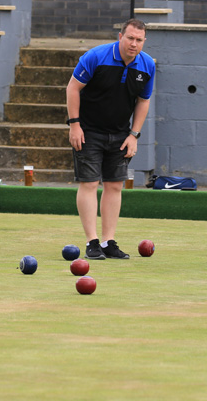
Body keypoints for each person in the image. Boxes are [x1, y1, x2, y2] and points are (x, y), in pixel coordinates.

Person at [66, 18, 155, 260]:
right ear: (120, 36)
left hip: (120, 133)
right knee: (90, 183)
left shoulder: (147, 65)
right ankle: (92, 242)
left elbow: (143, 101)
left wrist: (134, 134)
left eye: (139, 40)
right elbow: (73, 88)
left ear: (144, 41)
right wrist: (74, 125)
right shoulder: (95, 56)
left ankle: (108, 242)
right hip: (88, 130)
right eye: (130, 38)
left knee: (115, 185)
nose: (134, 44)